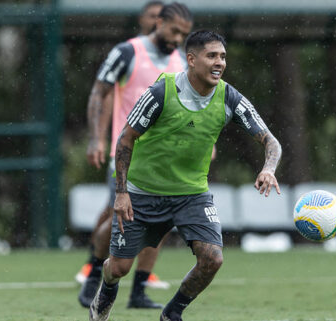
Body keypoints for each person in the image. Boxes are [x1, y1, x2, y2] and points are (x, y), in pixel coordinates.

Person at [88, 30, 282, 321]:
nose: (220, 63)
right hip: (142, 193)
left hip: (191, 195)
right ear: (191, 60)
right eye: (212, 56)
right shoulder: (159, 93)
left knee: (213, 259)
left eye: (223, 57)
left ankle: (172, 312)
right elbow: (125, 140)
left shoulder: (229, 97)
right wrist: (121, 192)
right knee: (118, 268)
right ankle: (105, 291)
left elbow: (271, 141)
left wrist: (269, 168)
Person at [78, 2, 194, 310]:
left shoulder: (182, 60)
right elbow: (99, 92)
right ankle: (92, 273)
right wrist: (95, 139)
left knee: (164, 222)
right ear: (158, 23)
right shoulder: (127, 52)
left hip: (166, 159)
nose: (178, 39)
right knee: (118, 217)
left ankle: (139, 291)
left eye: (184, 34)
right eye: (174, 31)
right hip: (127, 153)